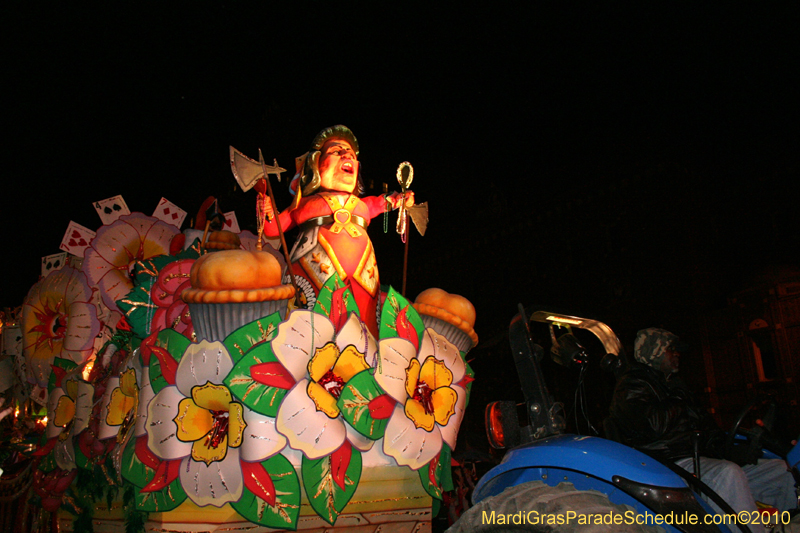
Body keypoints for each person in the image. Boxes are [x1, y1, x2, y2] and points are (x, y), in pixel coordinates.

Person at [608, 328, 796, 529]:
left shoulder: (675, 386)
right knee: (727, 474)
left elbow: (706, 430)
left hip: (699, 459)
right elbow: (653, 426)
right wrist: (677, 396)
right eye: (671, 349)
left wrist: (732, 450)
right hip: (668, 464)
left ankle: (786, 525)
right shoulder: (632, 385)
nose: (677, 354)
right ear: (654, 352)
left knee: (781, 469)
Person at [262, 125, 413, 337]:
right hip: (312, 269)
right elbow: (273, 227)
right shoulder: (304, 204)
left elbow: (381, 203)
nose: (345, 155)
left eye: (350, 153)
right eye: (336, 151)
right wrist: (267, 210)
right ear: (316, 165)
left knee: (364, 320)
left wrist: (398, 200)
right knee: (314, 322)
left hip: (363, 274)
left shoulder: (361, 204)